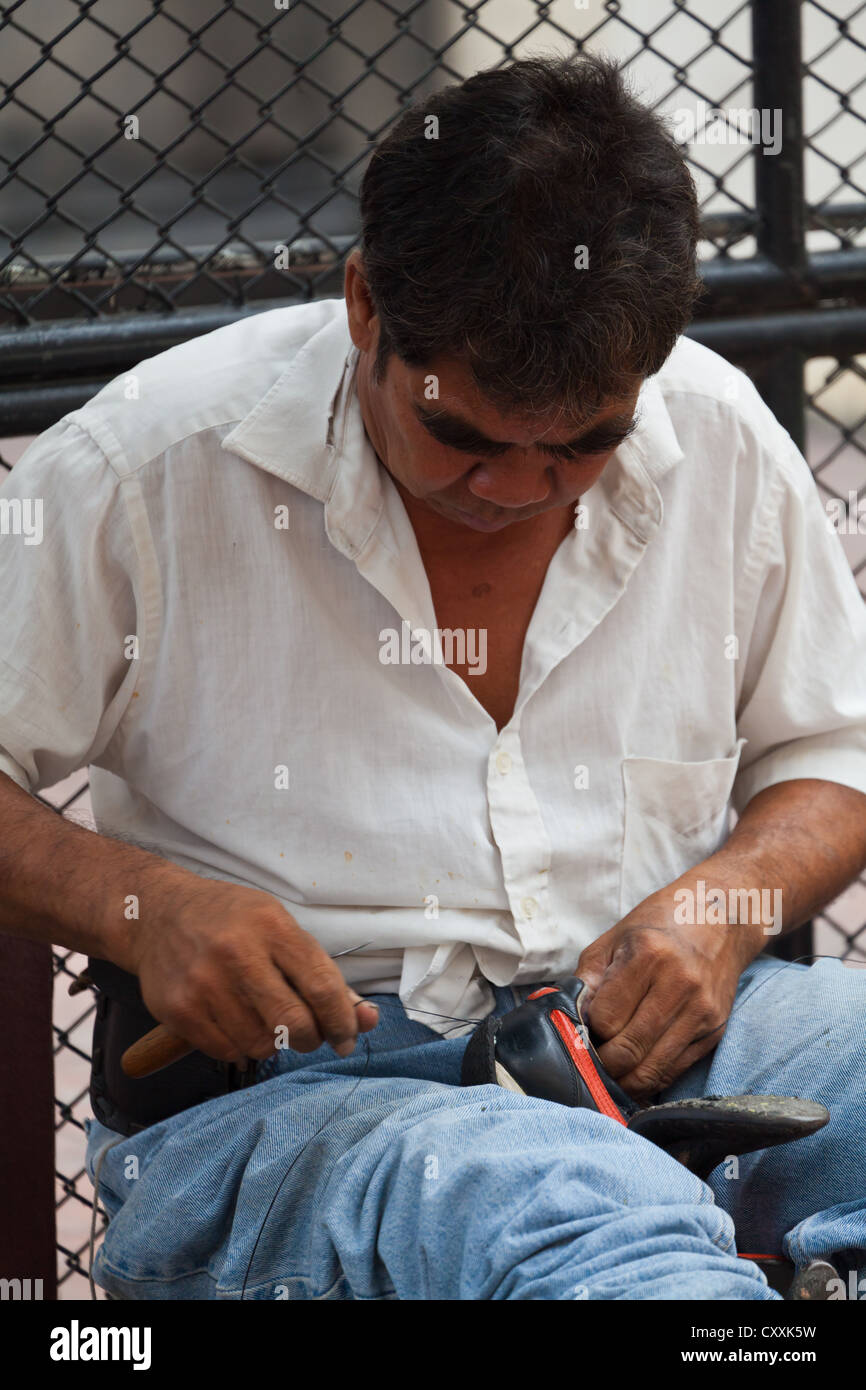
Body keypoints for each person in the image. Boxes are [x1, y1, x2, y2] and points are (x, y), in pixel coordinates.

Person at [2, 53, 865, 1301]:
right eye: (459, 433)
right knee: (584, 1220)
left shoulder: (719, 434)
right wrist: (142, 906)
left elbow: (834, 755)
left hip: (633, 1041)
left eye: (584, 445)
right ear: (363, 304)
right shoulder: (142, 469)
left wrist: (722, 911)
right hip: (291, 1096)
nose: (516, 489)